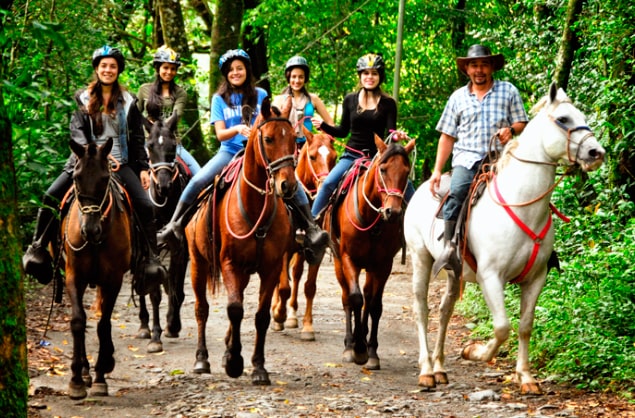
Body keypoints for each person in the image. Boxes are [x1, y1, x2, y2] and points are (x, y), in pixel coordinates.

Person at [158, 49, 329, 264]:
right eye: (231, 70)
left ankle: (311, 228)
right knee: (199, 180)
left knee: (291, 182)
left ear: (247, 71)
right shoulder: (219, 99)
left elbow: (273, 124)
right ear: (225, 74)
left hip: (260, 155)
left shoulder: (261, 95)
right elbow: (220, 134)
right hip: (229, 151)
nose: (235, 73)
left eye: (239, 68)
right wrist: (238, 128)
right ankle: (174, 224)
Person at [22, 45, 166, 294]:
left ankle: (150, 259)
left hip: (120, 165)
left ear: (118, 70)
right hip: (86, 164)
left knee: (145, 205)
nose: (108, 70)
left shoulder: (130, 101)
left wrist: (142, 167)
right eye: (103, 66)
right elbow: (77, 131)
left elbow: (137, 138)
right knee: (49, 196)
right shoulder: (83, 98)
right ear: (97, 69)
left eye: (112, 66)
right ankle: (38, 249)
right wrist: (96, 152)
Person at [429, 44, 528, 276]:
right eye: (474, 65)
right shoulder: (457, 98)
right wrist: (436, 170)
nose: (479, 69)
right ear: (467, 69)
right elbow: (447, 136)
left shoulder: (508, 91)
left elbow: (522, 122)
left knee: (529, 190)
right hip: (467, 158)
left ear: (492, 67)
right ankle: (450, 248)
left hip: (501, 158)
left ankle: (540, 248)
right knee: (458, 190)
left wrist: (511, 130)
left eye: (484, 64)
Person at [311, 53, 415, 219]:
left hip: (378, 158)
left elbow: (390, 135)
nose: (370, 77)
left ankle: (418, 223)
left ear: (380, 76)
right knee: (328, 184)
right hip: (352, 156)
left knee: (406, 186)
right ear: (360, 76)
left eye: (374, 73)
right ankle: (312, 225)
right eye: (366, 73)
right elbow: (343, 131)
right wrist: (323, 126)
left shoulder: (388, 103)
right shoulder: (350, 100)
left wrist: (398, 136)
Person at [137, 45, 200, 175]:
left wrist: (156, 125)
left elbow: (176, 115)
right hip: (148, 143)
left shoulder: (180, 93)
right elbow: (135, 116)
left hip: (172, 143)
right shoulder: (144, 90)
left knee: (198, 174)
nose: (169, 72)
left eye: (173, 69)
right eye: (165, 67)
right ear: (158, 68)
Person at [272, 56, 333, 147]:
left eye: (301, 77)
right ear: (288, 77)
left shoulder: (313, 99)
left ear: (305, 79)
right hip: (285, 145)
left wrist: (324, 136)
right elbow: (270, 126)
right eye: (294, 77)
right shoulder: (279, 100)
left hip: (308, 145)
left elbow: (330, 123)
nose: (297, 80)